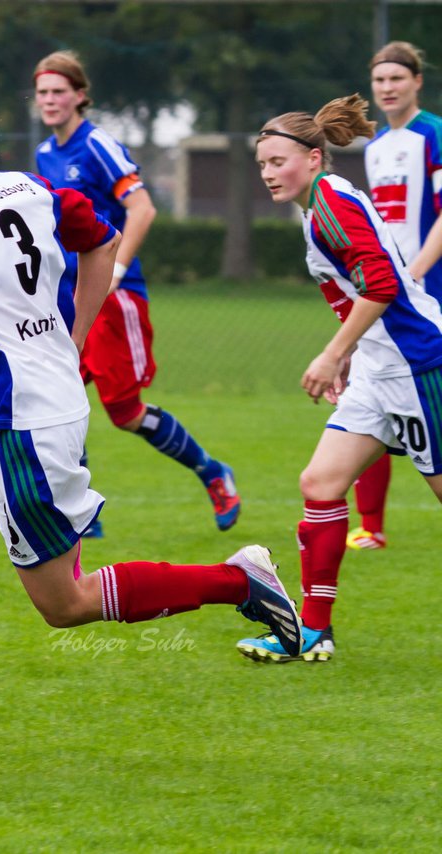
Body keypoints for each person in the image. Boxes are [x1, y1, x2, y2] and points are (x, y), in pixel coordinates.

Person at [0, 95, 303, 779]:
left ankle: (237, 581)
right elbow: (104, 241)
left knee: (65, 604)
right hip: (9, 410)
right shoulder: (28, 184)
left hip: (25, 422)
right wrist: (74, 337)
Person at [240, 95, 442, 663]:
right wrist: (353, 356)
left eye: (278, 161)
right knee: (321, 483)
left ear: (312, 156)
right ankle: (312, 630)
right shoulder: (319, 205)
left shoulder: (329, 204)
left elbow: (381, 283)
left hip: (417, 366)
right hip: (381, 369)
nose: (268, 173)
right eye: (261, 164)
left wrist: (332, 354)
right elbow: (362, 287)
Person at [32, 51, 240, 535]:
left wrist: (118, 268)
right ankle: (82, 515)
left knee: (124, 413)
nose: (49, 100)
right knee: (54, 397)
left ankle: (212, 472)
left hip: (113, 296)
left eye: (59, 91)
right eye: (42, 92)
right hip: (68, 294)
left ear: (80, 96)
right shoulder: (46, 152)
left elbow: (142, 209)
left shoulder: (97, 145)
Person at [351, 41, 442, 550]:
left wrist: (417, 269)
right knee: (371, 395)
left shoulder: (433, 133)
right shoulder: (376, 145)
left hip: (429, 292)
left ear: (416, 81)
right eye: (380, 80)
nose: (387, 88)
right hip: (393, 297)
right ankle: (372, 527)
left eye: (396, 79)